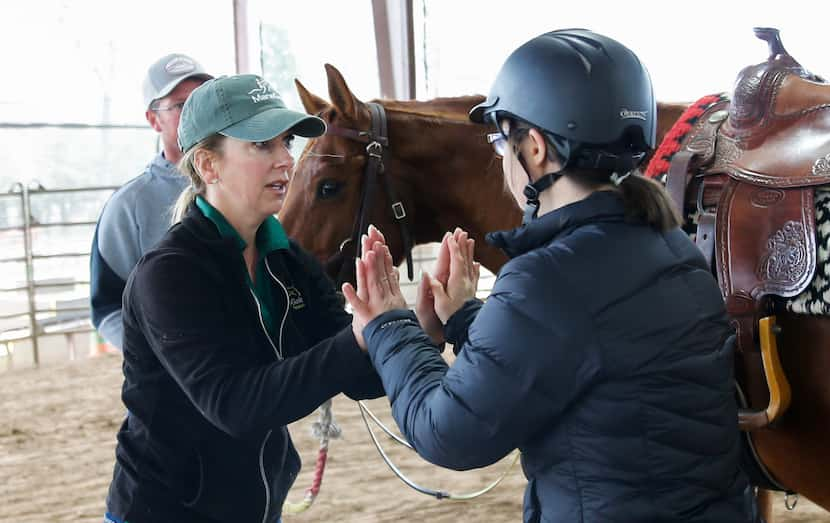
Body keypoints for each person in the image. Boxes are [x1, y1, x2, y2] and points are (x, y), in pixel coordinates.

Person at [343, 29, 759, 522]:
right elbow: (576, 352)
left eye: (502, 139)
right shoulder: (670, 247)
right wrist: (464, 319)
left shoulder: (548, 279)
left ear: (535, 148)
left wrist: (390, 326)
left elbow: (449, 432)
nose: (502, 157)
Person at [104, 74, 385, 523]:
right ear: (208, 165)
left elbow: (361, 378)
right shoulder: (171, 272)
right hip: (165, 511)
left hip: (256, 508)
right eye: (261, 146)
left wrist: (415, 326)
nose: (286, 162)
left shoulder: (287, 257)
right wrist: (363, 337)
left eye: (285, 143)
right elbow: (236, 406)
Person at [90, 53, 213, 350]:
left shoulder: (248, 182)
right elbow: (108, 305)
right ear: (153, 119)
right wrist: (155, 356)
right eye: (182, 105)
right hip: (178, 378)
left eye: (203, 100)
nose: (196, 112)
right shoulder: (128, 207)